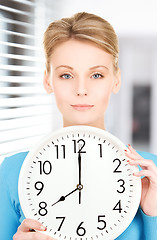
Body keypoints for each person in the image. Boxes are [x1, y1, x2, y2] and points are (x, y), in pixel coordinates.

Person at [0, 12, 157, 240]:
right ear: (47, 81)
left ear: (116, 80)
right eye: (66, 75)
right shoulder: (12, 172)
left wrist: (152, 214)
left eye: (96, 75)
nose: (81, 89)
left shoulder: (150, 174)